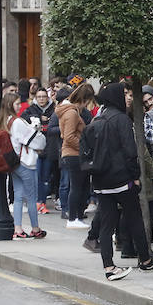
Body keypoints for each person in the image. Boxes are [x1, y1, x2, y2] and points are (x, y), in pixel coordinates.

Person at [85, 83, 153, 280]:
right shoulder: (121, 119)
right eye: (124, 95)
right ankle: (145, 260)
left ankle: (109, 267)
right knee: (134, 218)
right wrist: (135, 176)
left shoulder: (98, 119)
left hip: (101, 180)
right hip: (121, 179)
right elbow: (131, 151)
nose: (127, 98)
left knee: (106, 224)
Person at [2, 93, 47, 240]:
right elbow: (36, 141)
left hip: (14, 162)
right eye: (16, 104)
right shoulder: (18, 122)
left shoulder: (6, 120)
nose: (19, 106)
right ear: (10, 105)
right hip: (25, 162)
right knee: (32, 197)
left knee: (19, 196)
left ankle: (18, 228)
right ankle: (35, 228)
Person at [57, 83, 94, 229]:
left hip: (72, 153)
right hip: (74, 154)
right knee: (77, 186)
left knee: (81, 186)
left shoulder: (70, 111)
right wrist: (84, 148)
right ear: (84, 99)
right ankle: (73, 218)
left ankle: (77, 216)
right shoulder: (72, 113)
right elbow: (69, 137)